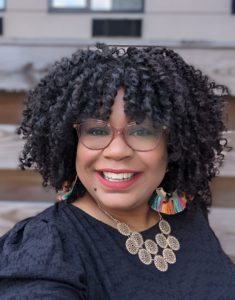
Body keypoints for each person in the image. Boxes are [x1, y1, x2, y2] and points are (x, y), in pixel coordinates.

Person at [0, 44, 234, 299]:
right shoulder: (46, 247)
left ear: (174, 145)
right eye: (97, 130)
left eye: (143, 130)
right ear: (71, 143)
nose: (117, 151)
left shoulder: (189, 215)